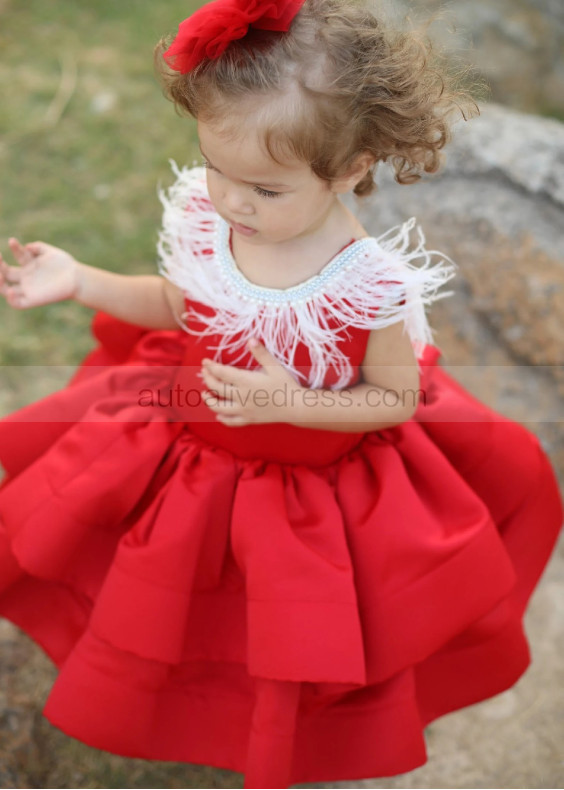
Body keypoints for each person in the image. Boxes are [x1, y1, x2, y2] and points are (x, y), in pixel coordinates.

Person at [0, 0, 561, 787]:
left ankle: (283, 739)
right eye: (216, 170)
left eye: (262, 189)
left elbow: (393, 401)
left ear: (352, 167)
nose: (231, 201)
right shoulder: (212, 217)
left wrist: (287, 402)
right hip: (193, 451)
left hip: (311, 485)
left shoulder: (368, 286)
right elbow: (177, 305)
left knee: (286, 635)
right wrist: (82, 281)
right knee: (174, 598)